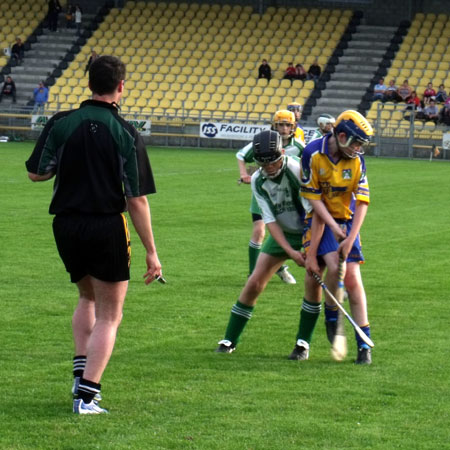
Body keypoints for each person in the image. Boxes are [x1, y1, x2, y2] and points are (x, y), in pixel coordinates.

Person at [25, 55, 163, 414]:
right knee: (109, 314)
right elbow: (136, 198)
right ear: (121, 86)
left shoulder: (61, 122)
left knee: (87, 299)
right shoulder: (127, 132)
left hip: (66, 226)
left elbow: (37, 174)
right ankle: (87, 396)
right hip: (105, 225)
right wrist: (151, 251)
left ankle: (79, 377)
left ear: (88, 84)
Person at [289, 110, 374, 365]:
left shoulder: (356, 160)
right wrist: (313, 251)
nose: (359, 148)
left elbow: (362, 202)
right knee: (326, 272)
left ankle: (363, 344)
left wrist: (349, 238)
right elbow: (314, 203)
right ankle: (322, 323)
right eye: (356, 142)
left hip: (347, 221)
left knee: (353, 280)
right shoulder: (312, 154)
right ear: (341, 135)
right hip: (318, 218)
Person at [216, 130, 306, 353]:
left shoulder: (298, 170)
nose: (269, 169)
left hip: (311, 229)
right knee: (254, 282)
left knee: (313, 286)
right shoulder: (258, 180)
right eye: (262, 164)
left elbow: (312, 210)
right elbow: (271, 221)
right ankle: (229, 340)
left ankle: (303, 344)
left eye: (273, 163)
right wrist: (290, 252)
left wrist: (310, 247)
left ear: (282, 154)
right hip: (283, 232)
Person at [236, 110, 304, 285]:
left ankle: (278, 267)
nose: (283, 128)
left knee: (287, 231)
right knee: (259, 231)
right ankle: (253, 274)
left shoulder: (299, 146)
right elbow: (241, 155)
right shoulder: (263, 142)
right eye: (280, 124)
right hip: (266, 192)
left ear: (293, 127)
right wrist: (244, 174)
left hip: (288, 197)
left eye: (287, 124)